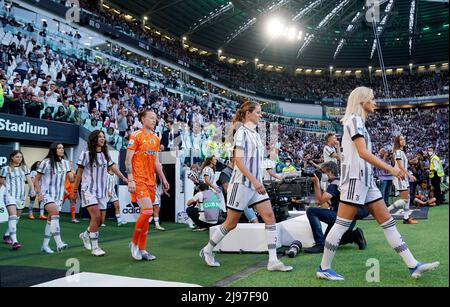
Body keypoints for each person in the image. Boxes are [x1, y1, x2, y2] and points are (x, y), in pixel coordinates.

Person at [316, 87, 439, 281]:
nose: (375, 102)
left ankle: (413, 265)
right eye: (372, 99)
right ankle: (323, 267)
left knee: (388, 223)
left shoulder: (359, 123)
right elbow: (363, 153)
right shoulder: (354, 120)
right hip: (355, 180)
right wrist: (391, 169)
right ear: (361, 101)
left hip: (367, 181)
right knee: (341, 225)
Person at [199, 101, 293, 272]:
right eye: (258, 112)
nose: (261, 114)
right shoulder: (241, 133)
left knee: (270, 217)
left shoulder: (256, 134)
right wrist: (255, 181)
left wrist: (266, 178)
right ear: (248, 113)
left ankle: (273, 261)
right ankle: (207, 249)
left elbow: (257, 162)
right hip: (241, 185)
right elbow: (239, 162)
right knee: (230, 223)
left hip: (255, 185)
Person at [73, 130, 128, 257]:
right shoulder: (85, 154)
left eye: (103, 137)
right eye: (100, 137)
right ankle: (95, 247)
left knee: (99, 221)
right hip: (88, 190)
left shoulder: (105, 155)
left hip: (102, 192)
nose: (102, 139)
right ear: (94, 139)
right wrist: (74, 191)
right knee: (96, 217)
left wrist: (124, 178)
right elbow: (79, 174)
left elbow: (114, 168)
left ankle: (85, 235)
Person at [125, 109, 170, 261]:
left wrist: (163, 179)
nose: (154, 120)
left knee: (147, 213)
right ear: (143, 119)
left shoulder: (156, 139)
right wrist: (130, 179)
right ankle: (133, 243)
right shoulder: (136, 135)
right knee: (147, 211)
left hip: (151, 180)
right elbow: (128, 159)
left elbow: (157, 162)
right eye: (151, 118)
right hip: (138, 179)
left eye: (155, 118)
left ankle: (142, 249)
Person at [303, 161, 367, 253]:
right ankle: (354, 236)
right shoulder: (341, 181)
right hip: (349, 219)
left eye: (323, 172)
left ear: (330, 171)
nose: (322, 174)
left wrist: (316, 184)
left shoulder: (335, 183)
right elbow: (320, 203)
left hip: (341, 217)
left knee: (311, 211)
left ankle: (319, 244)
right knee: (328, 241)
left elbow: (319, 201)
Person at [34, 143, 73, 254]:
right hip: (46, 194)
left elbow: (71, 180)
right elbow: (37, 179)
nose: (61, 150)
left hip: (58, 196)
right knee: (55, 214)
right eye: (59, 148)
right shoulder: (45, 162)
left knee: (51, 220)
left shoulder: (65, 163)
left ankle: (45, 245)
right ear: (54, 150)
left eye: (62, 148)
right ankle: (59, 243)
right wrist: (39, 193)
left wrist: (72, 170)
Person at [1, 150, 35, 250]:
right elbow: (1, 181)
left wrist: (32, 189)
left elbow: (29, 180)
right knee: (13, 215)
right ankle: (15, 242)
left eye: (20, 157)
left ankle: (7, 235)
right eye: (17, 157)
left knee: (17, 217)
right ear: (12, 157)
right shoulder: (5, 169)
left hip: (21, 196)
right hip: (9, 195)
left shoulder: (24, 168)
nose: (19, 159)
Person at [390, 135, 418, 224]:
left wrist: (411, 162)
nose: (403, 140)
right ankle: (386, 210)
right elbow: (400, 166)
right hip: (400, 176)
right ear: (397, 142)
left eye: (404, 139)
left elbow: (403, 164)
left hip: (403, 177)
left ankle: (406, 218)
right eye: (401, 139)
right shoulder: (398, 151)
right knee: (405, 199)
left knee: (408, 197)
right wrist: (409, 175)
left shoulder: (401, 152)